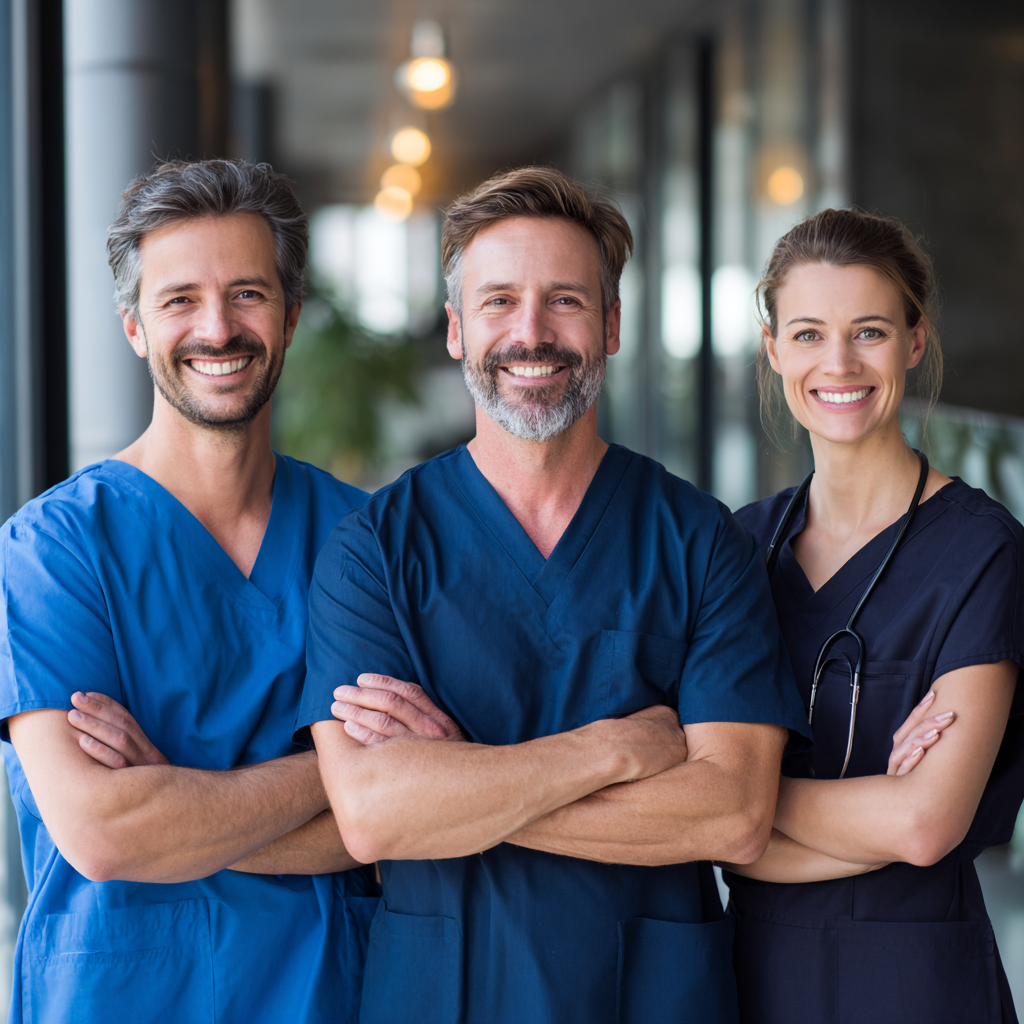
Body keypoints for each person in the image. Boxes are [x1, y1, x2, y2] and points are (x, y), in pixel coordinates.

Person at [295, 166, 811, 1024]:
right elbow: (375, 816)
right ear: (457, 331)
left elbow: (733, 817)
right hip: (442, 994)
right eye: (498, 302)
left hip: (649, 995)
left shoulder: (701, 541)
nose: (530, 334)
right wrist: (612, 750)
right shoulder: (373, 551)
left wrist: (459, 786)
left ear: (611, 326)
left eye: (564, 301)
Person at [0, 160, 378, 1024]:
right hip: (119, 998)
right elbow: (103, 831)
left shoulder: (366, 540)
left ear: (288, 316)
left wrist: (176, 794)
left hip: (326, 995)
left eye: (248, 293)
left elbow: (406, 822)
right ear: (135, 327)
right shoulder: (55, 550)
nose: (218, 327)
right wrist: (340, 771)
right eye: (179, 301)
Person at [721, 208, 1024, 1024]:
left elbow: (927, 825)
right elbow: (694, 823)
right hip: (749, 979)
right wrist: (871, 819)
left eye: (870, 331)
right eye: (810, 333)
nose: (840, 363)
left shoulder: (981, 554)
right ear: (774, 349)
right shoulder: (738, 550)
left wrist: (735, 805)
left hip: (915, 984)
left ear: (915, 340)